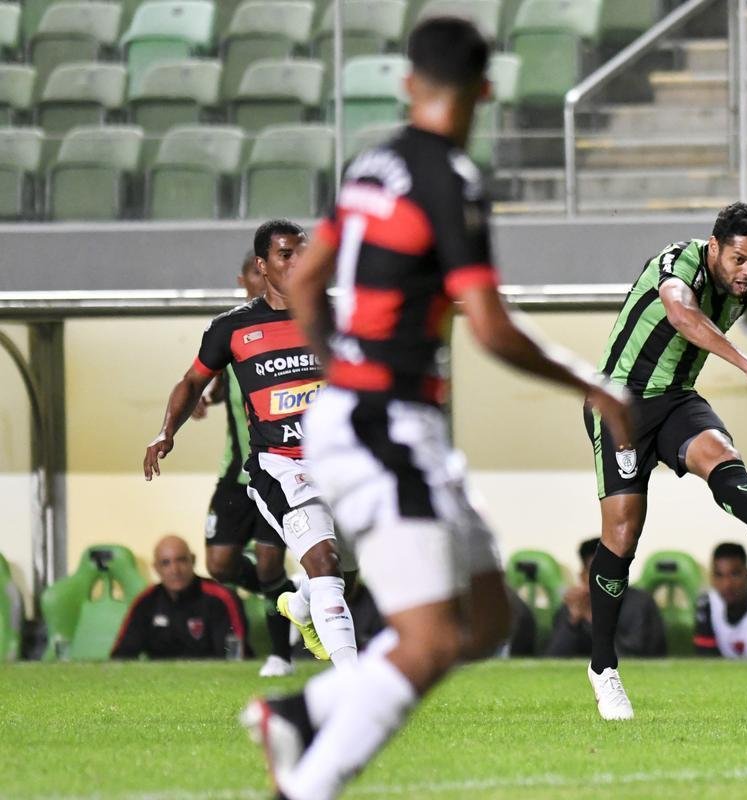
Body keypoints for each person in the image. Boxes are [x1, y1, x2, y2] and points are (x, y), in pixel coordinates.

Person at [240, 18, 632, 800]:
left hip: (379, 421)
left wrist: (340, 364)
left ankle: (307, 710)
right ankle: (308, 781)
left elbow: (310, 281)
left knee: (487, 621)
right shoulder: (451, 180)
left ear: (408, 83)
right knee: (426, 639)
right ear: (487, 91)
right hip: (387, 424)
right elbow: (488, 325)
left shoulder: (369, 166)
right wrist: (595, 384)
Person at [582, 201, 747, 719]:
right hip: (619, 403)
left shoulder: (744, 289)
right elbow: (681, 314)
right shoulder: (679, 262)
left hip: (674, 398)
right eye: (739, 259)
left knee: (720, 452)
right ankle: (603, 668)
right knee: (623, 536)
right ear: (714, 247)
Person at [143, 220, 359, 671]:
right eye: (286, 254)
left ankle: (299, 605)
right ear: (262, 266)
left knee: (344, 575)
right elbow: (192, 381)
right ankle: (354, 681)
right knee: (322, 560)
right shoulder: (233, 329)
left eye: (304, 253)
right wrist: (167, 431)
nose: (298, 263)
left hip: (340, 465)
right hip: (280, 466)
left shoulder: (336, 318)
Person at [192, 251, 297, 677]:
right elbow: (214, 382)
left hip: (278, 469)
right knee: (219, 565)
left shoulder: (293, 329)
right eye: (256, 272)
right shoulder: (233, 331)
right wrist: (205, 397)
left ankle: (281, 656)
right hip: (234, 474)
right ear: (244, 279)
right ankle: (292, 595)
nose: (264, 277)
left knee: (270, 563)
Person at [111, 536, 248, 660]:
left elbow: (234, 657)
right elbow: (121, 657)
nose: (175, 570)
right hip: (161, 683)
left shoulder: (220, 598)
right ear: (156, 568)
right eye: (166, 563)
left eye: (181, 560)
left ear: (193, 560)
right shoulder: (145, 602)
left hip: (213, 682)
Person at [545, 538, 666, 659]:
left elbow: (632, 658)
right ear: (583, 576)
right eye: (596, 572)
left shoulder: (639, 603)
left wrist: (592, 618)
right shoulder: (577, 604)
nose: (604, 578)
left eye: (608, 571)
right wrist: (573, 620)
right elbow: (553, 660)